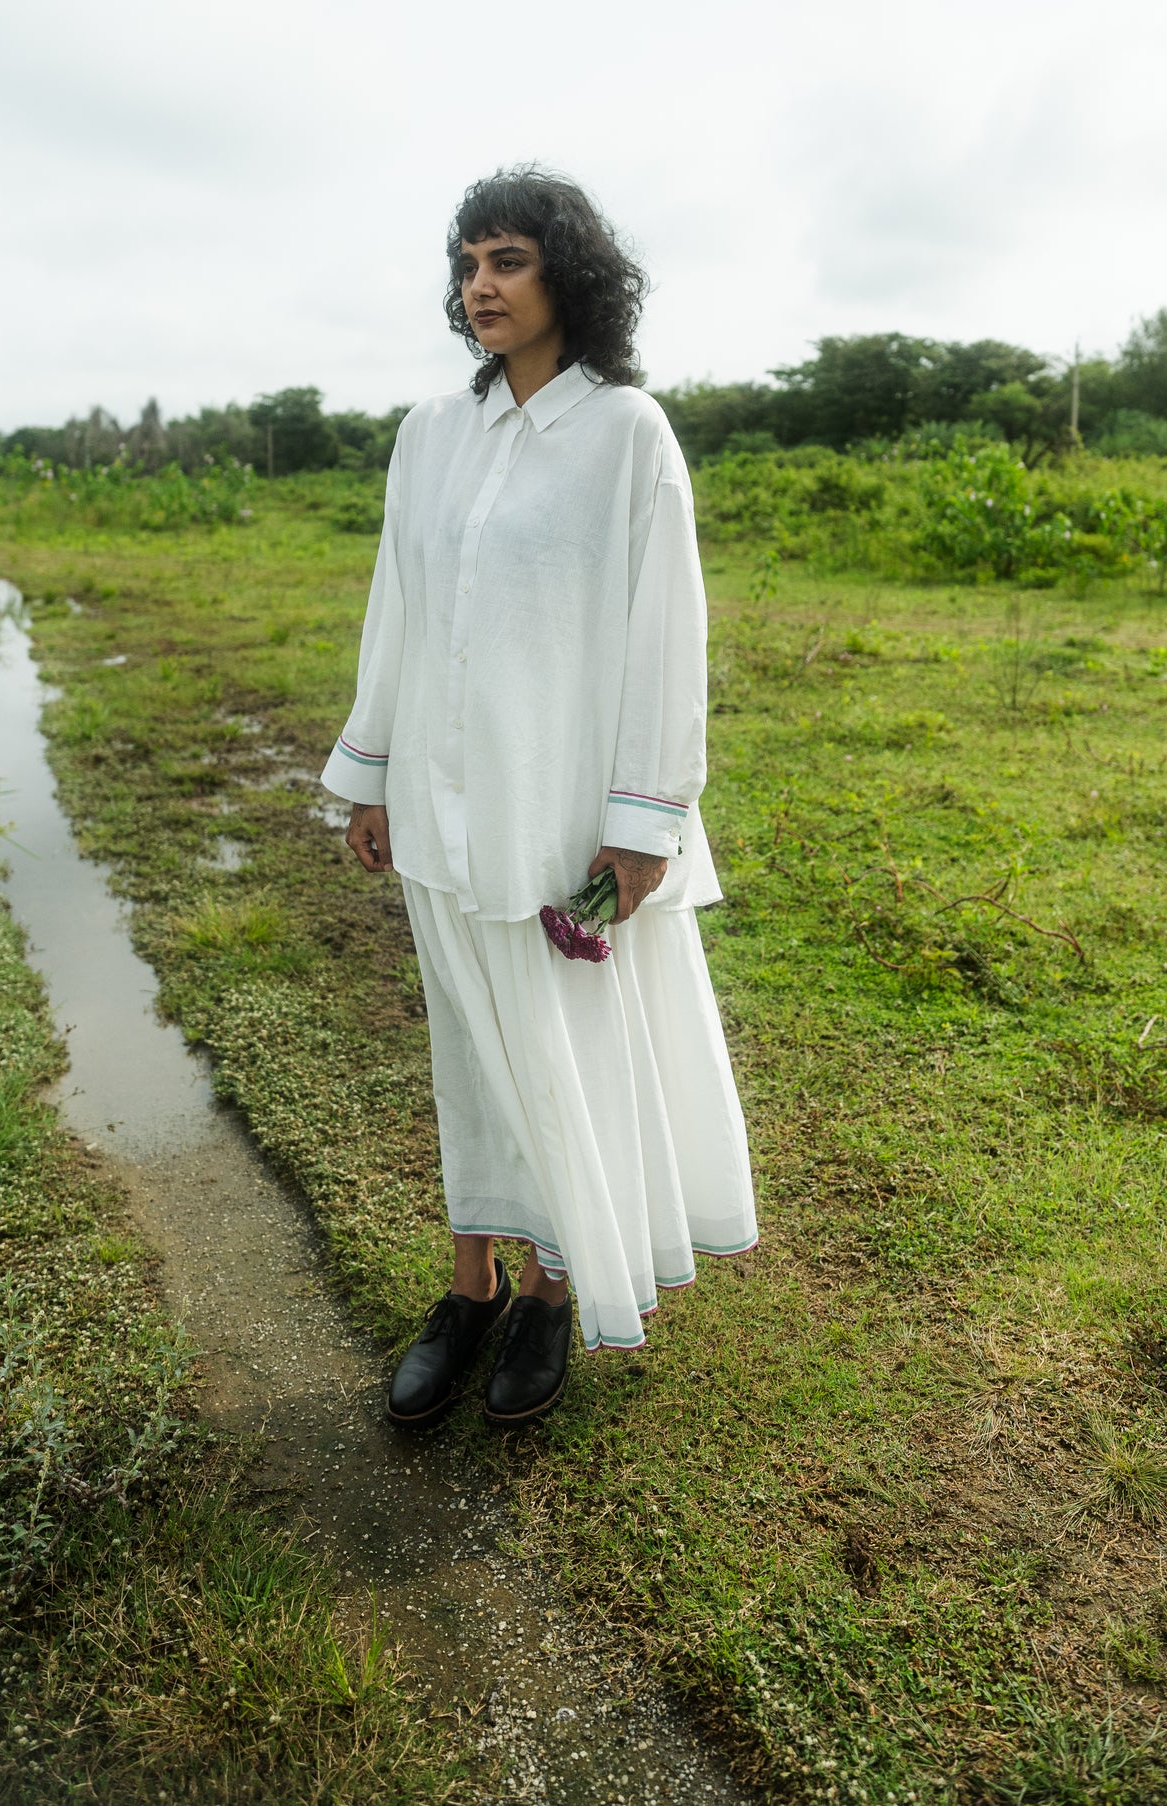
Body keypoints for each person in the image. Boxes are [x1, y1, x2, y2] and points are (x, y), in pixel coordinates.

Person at [320, 166, 756, 1429]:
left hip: (557, 812)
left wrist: (640, 822)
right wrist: (370, 776)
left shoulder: (625, 433)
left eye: (505, 259)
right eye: (466, 265)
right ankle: (468, 1290)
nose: (479, 286)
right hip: (443, 812)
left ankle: (552, 1296)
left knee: (559, 1056)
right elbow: (394, 614)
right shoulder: (428, 436)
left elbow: (662, 635)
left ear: (567, 275)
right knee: (468, 1047)